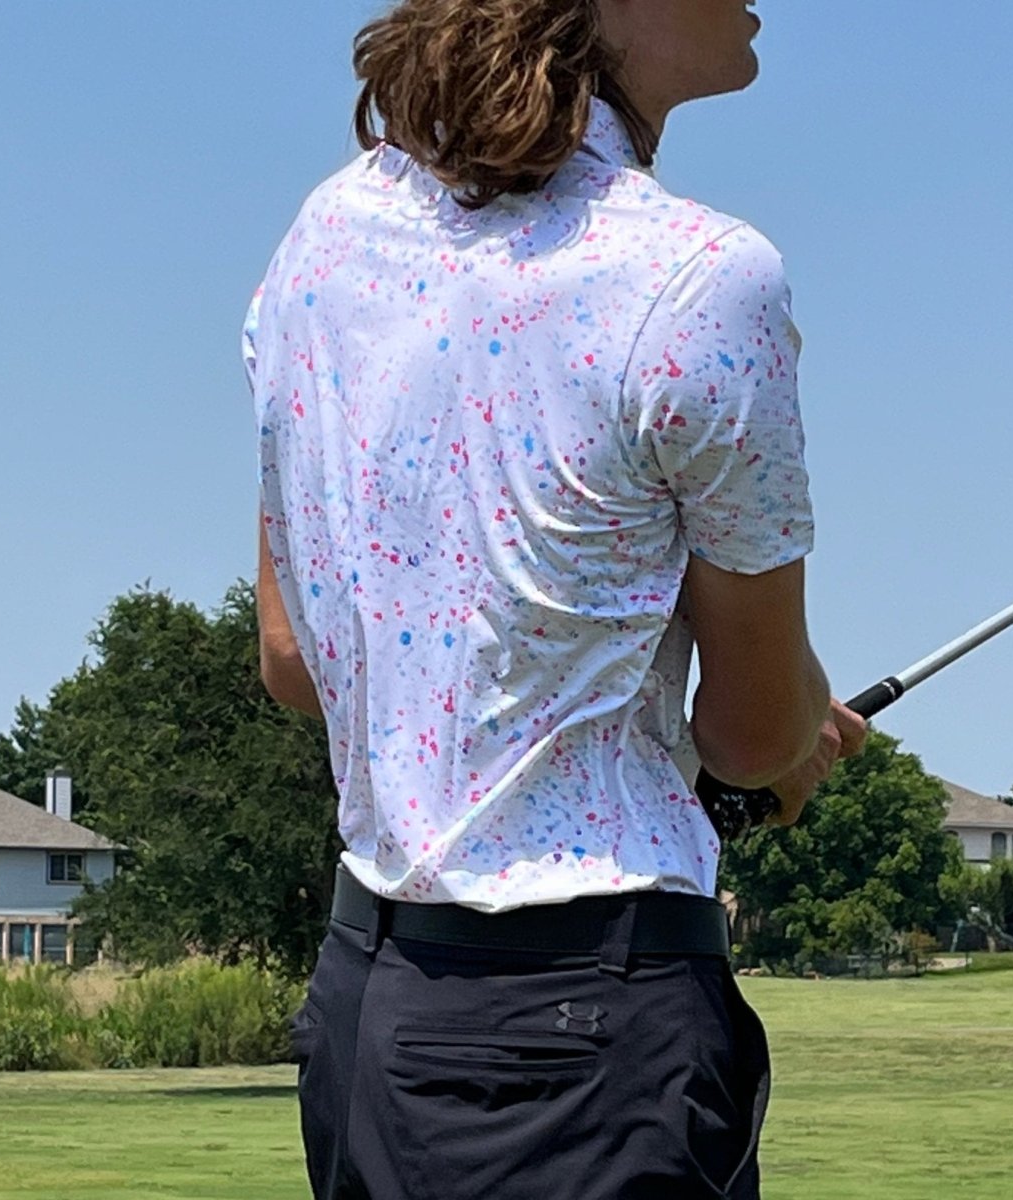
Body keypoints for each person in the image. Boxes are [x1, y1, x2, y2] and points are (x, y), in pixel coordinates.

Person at [244, 2, 868, 1196]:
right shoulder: (700, 277)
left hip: (368, 1006)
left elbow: (290, 654)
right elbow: (749, 739)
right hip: (589, 1029)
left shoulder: (325, 236)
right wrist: (797, 724)